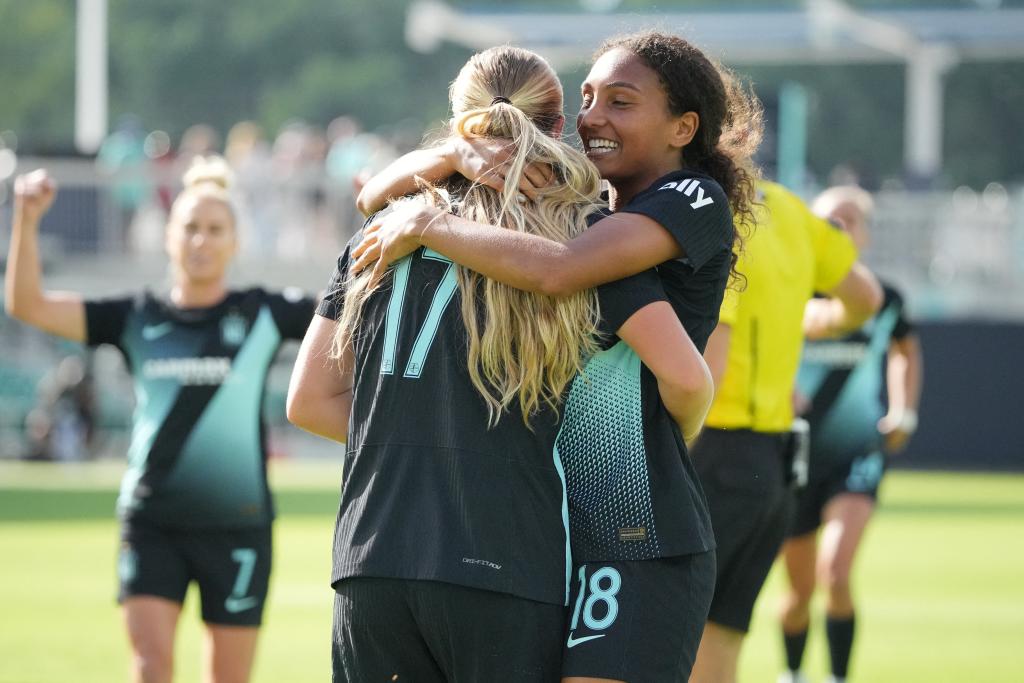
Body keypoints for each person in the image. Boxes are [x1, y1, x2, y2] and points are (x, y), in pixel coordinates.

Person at [287, 44, 716, 683]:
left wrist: (419, 439)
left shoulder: (379, 230)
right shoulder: (578, 230)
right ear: (553, 127)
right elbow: (683, 376)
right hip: (505, 559)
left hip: (367, 562)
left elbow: (309, 402)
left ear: (460, 119)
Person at [4, 158, 317, 683]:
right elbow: (27, 303)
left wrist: (377, 214)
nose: (201, 240)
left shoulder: (264, 312)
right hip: (153, 521)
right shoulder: (136, 314)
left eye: (215, 229)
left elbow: (353, 307)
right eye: (190, 228)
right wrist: (27, 218)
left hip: (237, 523)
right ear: (169, 237)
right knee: (151, 668)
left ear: (235, 241)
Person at [689, 180, 884, 683]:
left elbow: (711, 367)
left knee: (675, 636)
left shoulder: (709, 210)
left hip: (712, 451)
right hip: (770, 467)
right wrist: (815, 319)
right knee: (720, 639)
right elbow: (866, 298)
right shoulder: (790, 210)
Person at [777, 186, 924, 683]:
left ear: (865, 233)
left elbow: (906, 351)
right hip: (793, 456)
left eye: (847, 220)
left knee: (835, 574)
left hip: (856, 454)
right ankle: (793, 674)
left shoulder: (883, 300)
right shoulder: (787, 289)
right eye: (827, 220)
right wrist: (780, 390)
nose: (837, 228)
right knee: (797, 595)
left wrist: (904, 411)